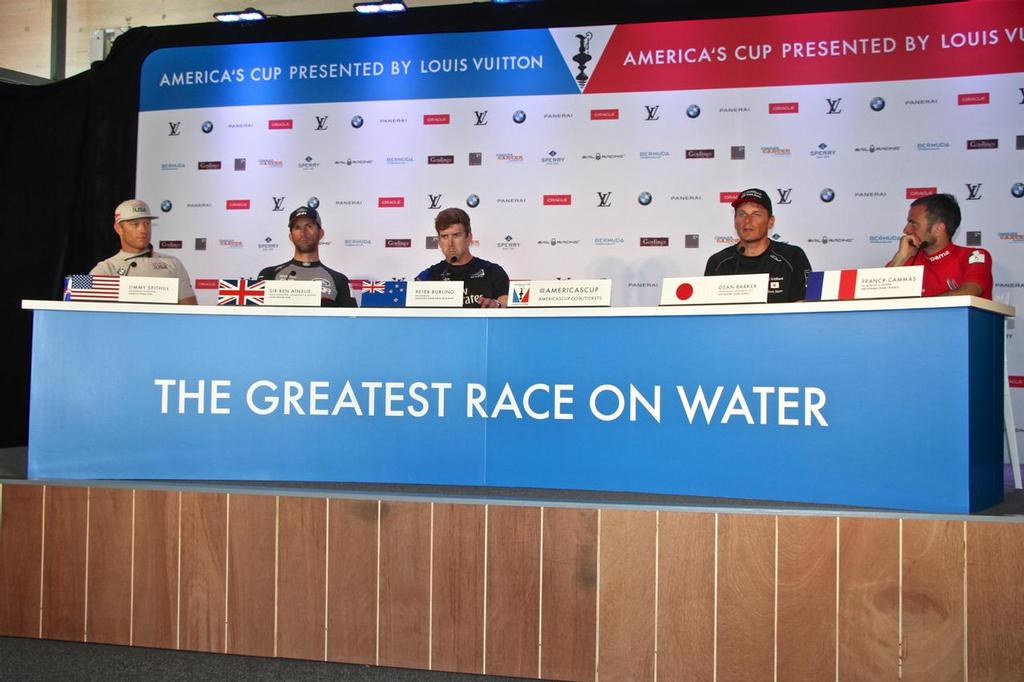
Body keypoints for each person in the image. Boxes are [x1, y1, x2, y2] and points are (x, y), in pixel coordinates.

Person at [703, 188, 812, 303]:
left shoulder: (793, 257)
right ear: (735, 221)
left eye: (756, 214)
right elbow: (709, 313)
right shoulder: (718, 263)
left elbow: (805, 308)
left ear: (770, 222)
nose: (747, 221)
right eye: (742, 214)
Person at [886, 192, 992, 299]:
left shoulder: (973, 257)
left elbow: (968, 293)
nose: (906, 230)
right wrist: (900, 258)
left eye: (913, 224)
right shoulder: (908, 258)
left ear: (938, 229)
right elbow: (879, 297)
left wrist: (916, 305)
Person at [91, 199, 197, 304]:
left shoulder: (173, 263)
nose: (143, 230)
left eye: (147, 223)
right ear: (119, 228)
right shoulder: (106, 269)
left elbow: (190, 311)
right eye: (135, 224)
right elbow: (84, 309)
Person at [257, 206, 357, 307]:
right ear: (290, 236)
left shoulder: (339, 280)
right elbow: (254, 318)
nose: (303, 233)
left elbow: (352, 321)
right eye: (297, 227)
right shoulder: (269, 275)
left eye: (309, 226)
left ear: (321, 234)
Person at [415, 207, 509, 308]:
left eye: (456, 235)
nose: (450, 243)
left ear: (469, 238)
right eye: (445, 236)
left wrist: (496, 305)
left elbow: (507, 305)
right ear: (438, 241)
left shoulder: (493, 271)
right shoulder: (428, 276)